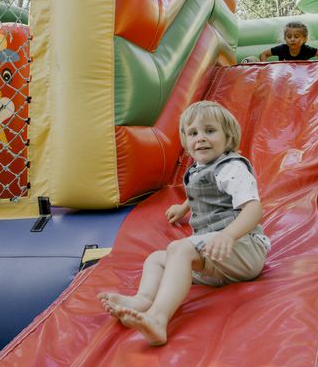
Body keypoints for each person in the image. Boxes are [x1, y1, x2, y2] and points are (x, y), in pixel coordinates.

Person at [98, 101, 270, 346]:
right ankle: (144, 299)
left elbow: (254, 208)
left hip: (243, 250)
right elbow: (201, 192)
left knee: (179, 248)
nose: (200, 138)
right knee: (157, 258)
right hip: (216, 258)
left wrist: (229, 235)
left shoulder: (231, 167)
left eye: (210, 131)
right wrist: (183, 208)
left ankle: (158, 319)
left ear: (228, 136)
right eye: (193, 133)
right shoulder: (198, 169)